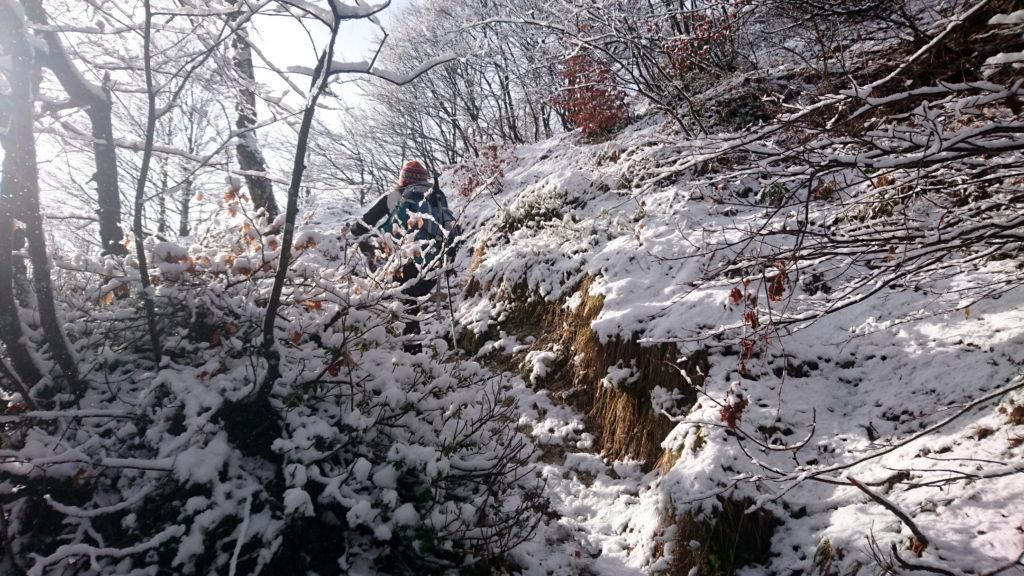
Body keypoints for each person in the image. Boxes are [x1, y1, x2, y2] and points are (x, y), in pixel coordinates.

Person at [351, 160, 459, 352]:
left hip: (403, 263)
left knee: (406, 307)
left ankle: (410, 356)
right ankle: (411, 352)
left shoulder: (393, 196)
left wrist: (371, 253)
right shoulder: (436, 196)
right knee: (411, 305)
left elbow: (359, 228)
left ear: (402, 180)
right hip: (433, 263)